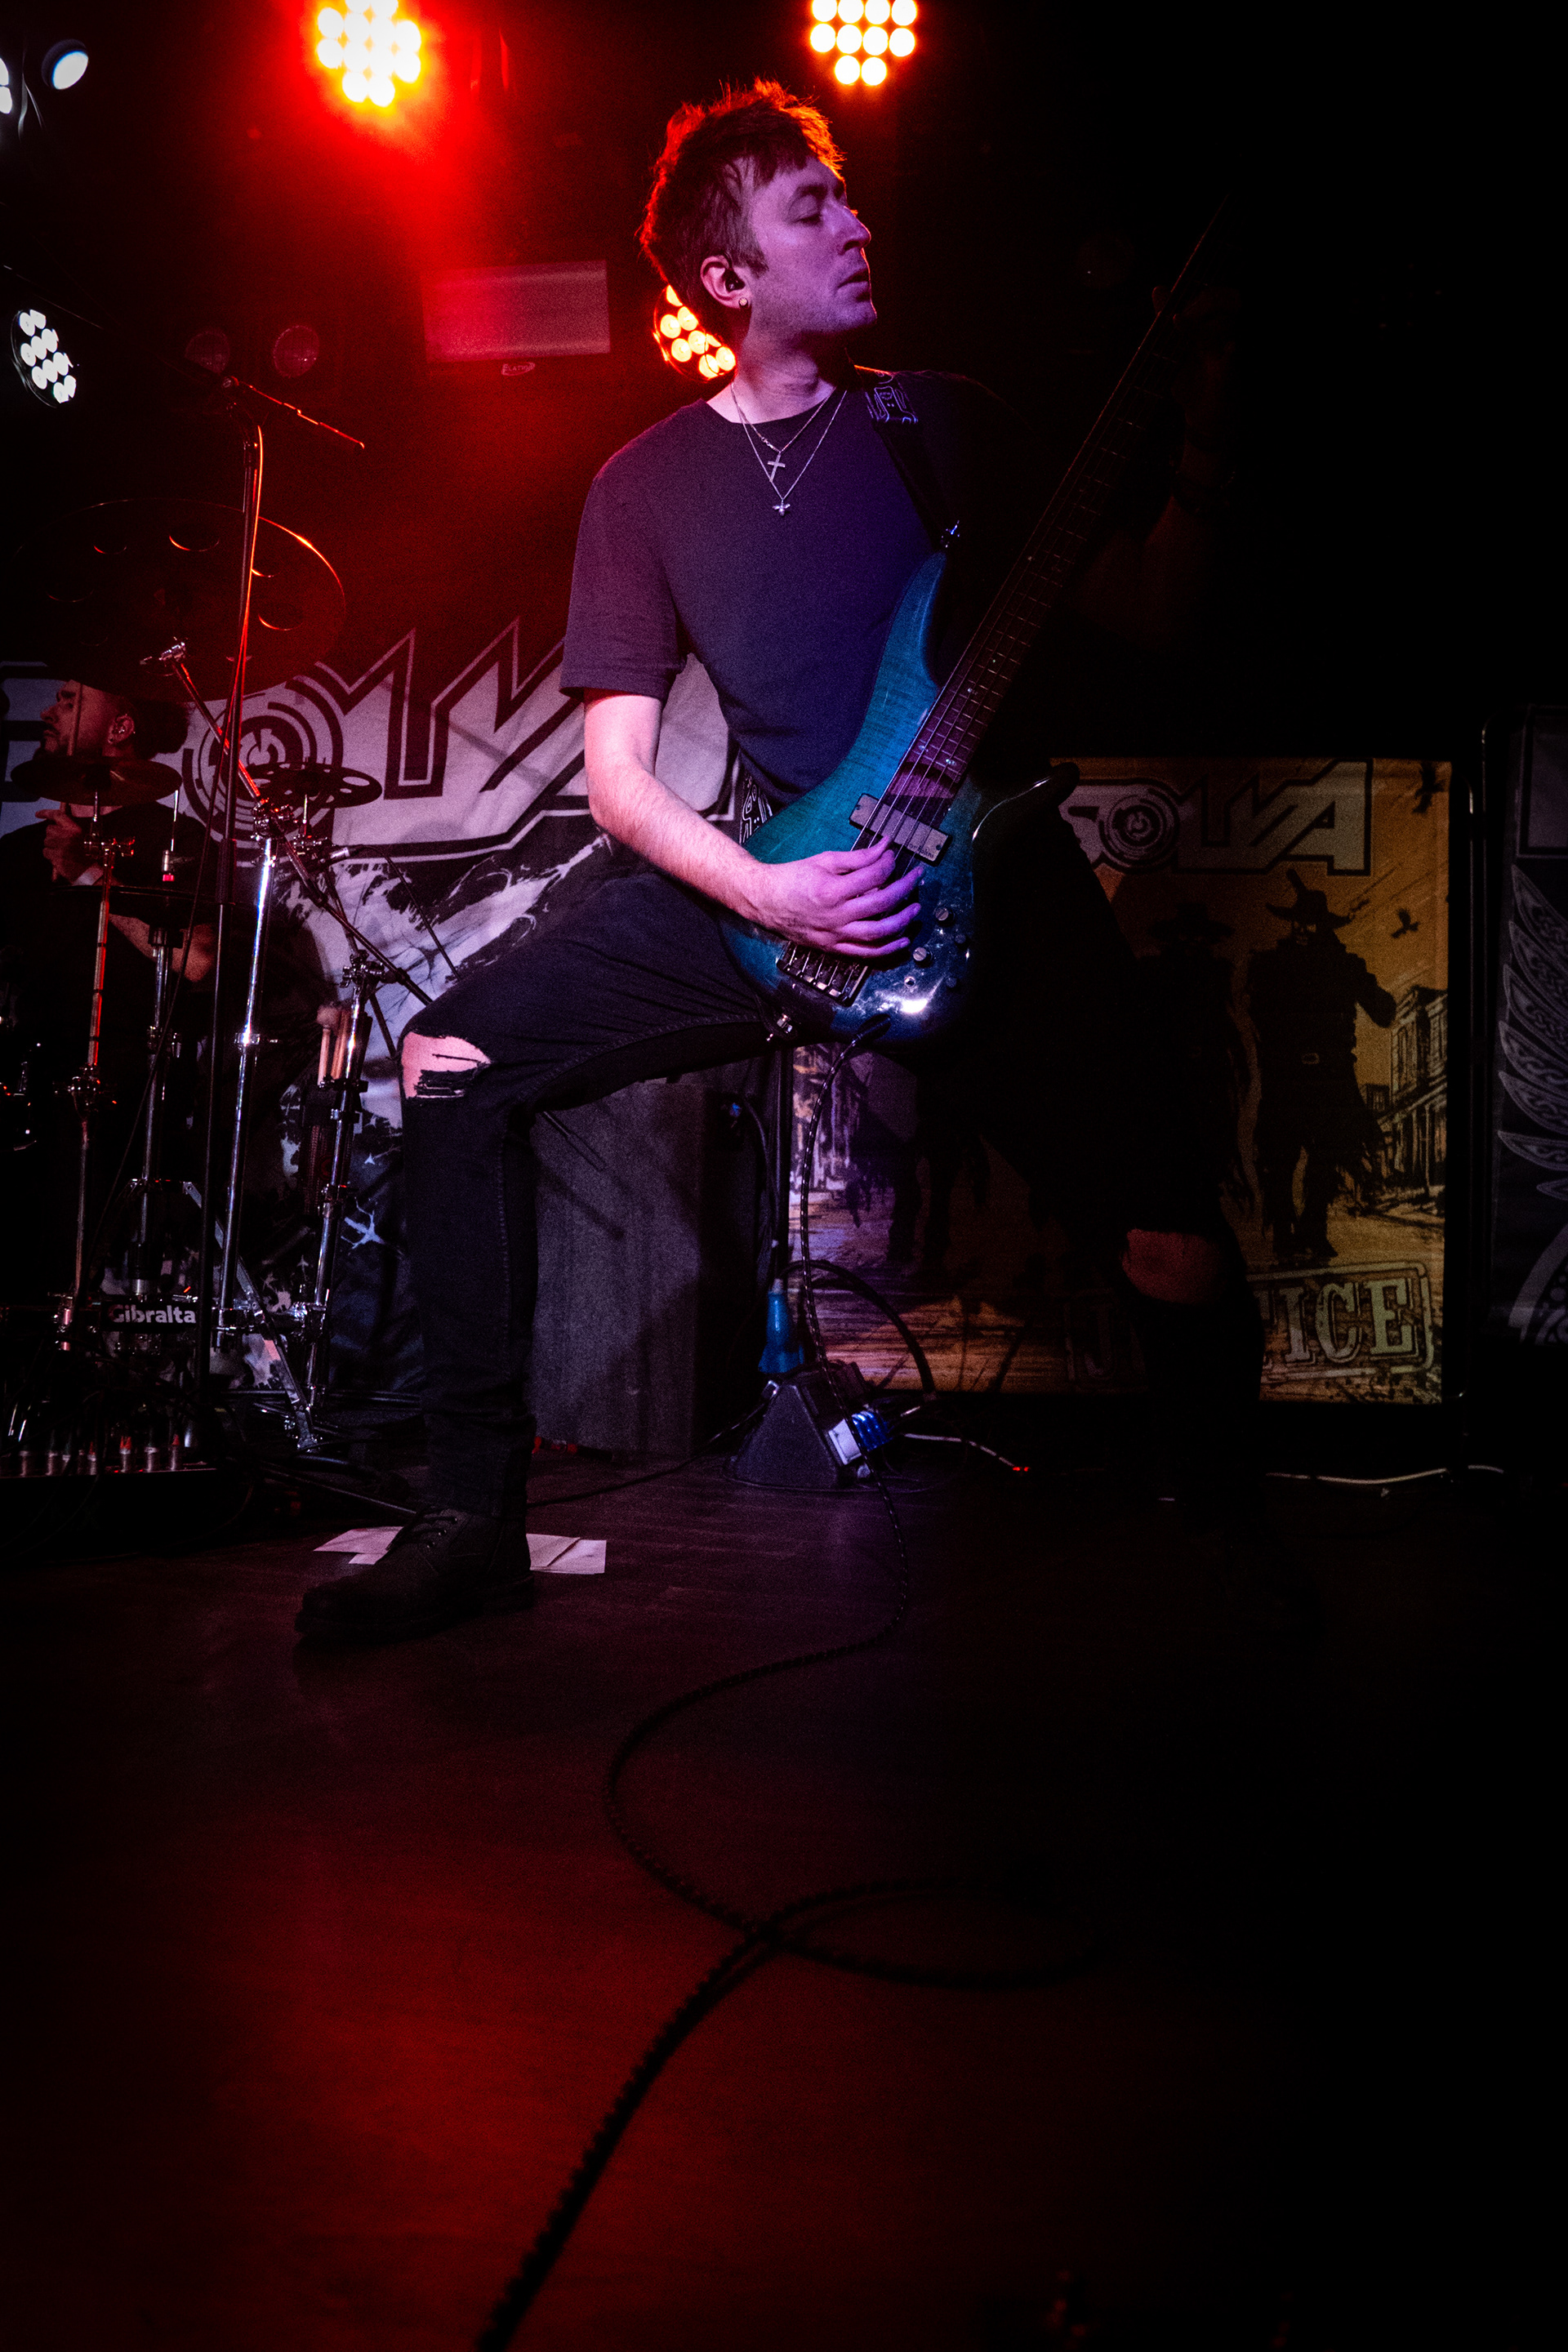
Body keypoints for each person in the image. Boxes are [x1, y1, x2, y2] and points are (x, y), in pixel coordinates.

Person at [297, 81, 1272, 1646]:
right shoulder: (642, 487)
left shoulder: (946, 423)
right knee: (450, 1060)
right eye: (814, 205)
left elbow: (1161, 612)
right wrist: (767, 891)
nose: (858, 221)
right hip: (772, 894)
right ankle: (471, 1516)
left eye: (850, 195)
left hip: (975, 876)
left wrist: (1211, 426)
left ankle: (1231, 1557)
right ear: (728, 275)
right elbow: (618, 783)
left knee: (1175, 1249)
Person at [0, 679, 212, 1299]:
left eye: (70, 700)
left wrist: (88, 873)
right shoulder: (17, 851)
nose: (49, 711)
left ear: (121, 727)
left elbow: (198, 962)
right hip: (20, 1077)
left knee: (68, 1269)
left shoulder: (174, 841)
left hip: (119, 1090)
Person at [1248, 870, 1396, 1263]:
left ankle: (1313, 1229)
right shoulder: (1271, 965)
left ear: (1324, 928)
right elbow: (1258, 1015)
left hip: (1331, 1078)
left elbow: (1384, 1011)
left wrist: (1356, 979)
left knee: (1329, 1156)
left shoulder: (1344, 966)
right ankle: (1284, 1233)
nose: (1301, 929)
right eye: (1297, 922)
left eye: (1310, 923)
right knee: (1278, 1160)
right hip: (1286, 1077)